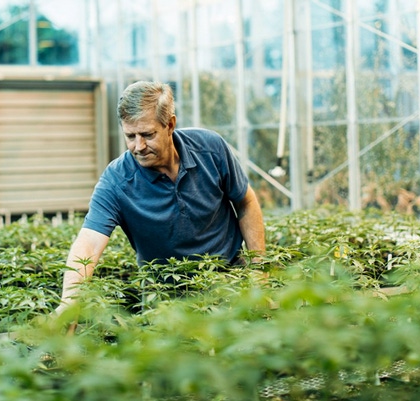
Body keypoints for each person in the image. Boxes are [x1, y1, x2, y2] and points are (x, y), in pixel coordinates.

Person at [54, 80, 266, 316]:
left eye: (147, 134)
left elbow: (245, 202)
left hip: (231, 279)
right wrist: (69, 302)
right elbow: (89, 243)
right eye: (130, 136)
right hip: (165, 299)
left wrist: (259, 270)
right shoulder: (117, 180)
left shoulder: (210, 148)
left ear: (170, 125)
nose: (139, 146)